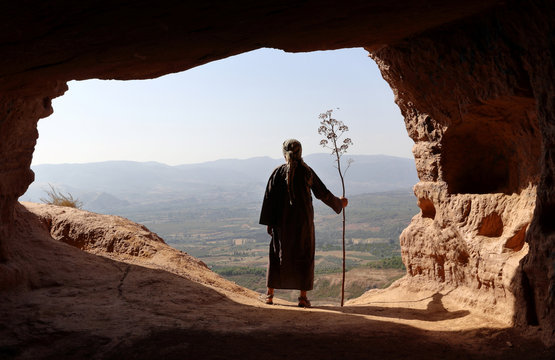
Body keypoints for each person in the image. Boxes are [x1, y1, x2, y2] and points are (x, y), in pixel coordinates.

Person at [259, 139, 348, 307]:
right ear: (300, 152)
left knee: (277, 254)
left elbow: (268, 199)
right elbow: (323, 193)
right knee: (304, 255)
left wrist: (269, 223)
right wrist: (339, 203)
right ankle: (302, 298)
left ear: (284, 152)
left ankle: (269, 295)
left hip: (281, 223)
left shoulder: (277, 173)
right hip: (303, 223)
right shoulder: (307, 172)